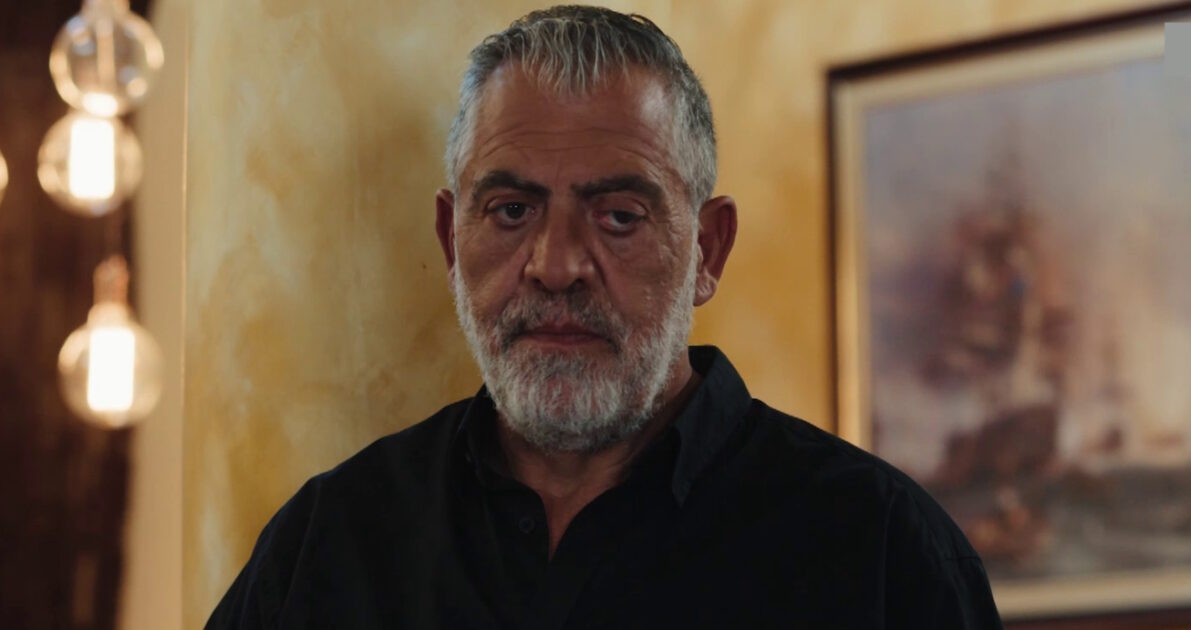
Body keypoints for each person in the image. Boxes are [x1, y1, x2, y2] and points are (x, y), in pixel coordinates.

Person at [207, 6, 1002, 629]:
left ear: (708, 251)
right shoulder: (329, 547)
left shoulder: (883, 555)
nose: (556, 265)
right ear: (451, 240)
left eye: (619, 216)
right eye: (511, 210)